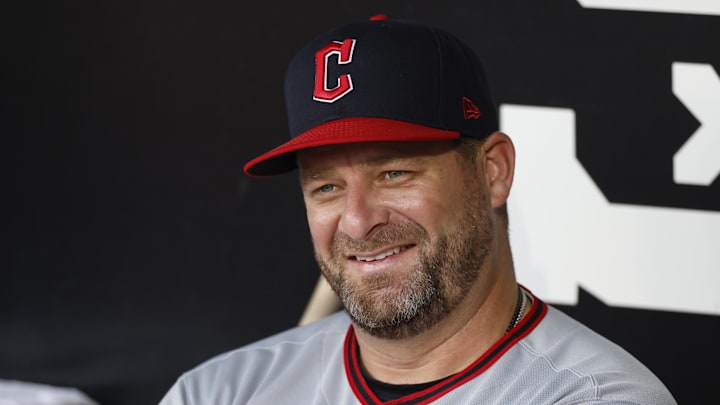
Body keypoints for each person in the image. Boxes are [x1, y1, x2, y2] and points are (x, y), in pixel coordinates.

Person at [159, 15, 677, 405]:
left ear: (492, 171)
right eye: (326, 188)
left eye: (395, 173)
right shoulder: (221, 391)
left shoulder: (593, 397)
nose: (359, 220)